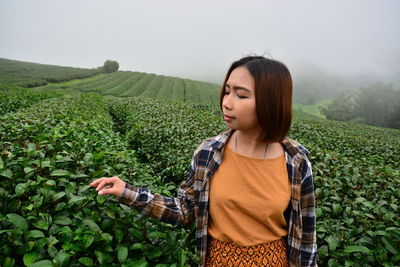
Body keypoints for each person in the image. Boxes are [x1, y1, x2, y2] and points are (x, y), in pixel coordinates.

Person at [90, 56, 318, 266]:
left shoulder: (296, 162)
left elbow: (307, 239)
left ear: (271, 101)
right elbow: (186, 210)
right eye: (227, 91)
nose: (227, 102)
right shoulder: (208, 152)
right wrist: (127, 192)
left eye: (241, 95)